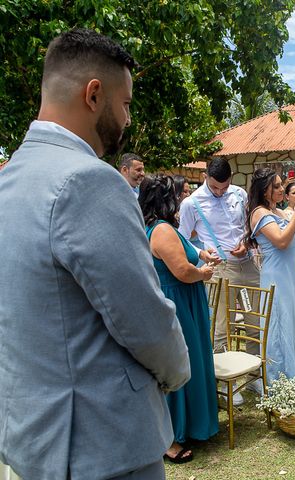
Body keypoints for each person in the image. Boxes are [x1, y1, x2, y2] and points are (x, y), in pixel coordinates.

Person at [0, 28, 191, 480]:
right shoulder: (90, 181)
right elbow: (143, 318)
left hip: (31, 436)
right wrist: (179, 371)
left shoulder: (8, 182)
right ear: (93, 94)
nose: (127, 120)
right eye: (125, 104)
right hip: (100, 442)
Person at [140, 174, 220, 464]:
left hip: (182, 300)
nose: (182, 200)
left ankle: (189, 426)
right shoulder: (161, 230)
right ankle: (175, 433)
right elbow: (183, 271)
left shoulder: (159, 228)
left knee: (191, 360)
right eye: (179, 195)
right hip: (179, 302)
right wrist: (203, 272)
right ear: (166, 199)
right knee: (184, 363)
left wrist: (201, 254)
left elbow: (187, 250)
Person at [178, 157, 260, 404]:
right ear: (206, 177)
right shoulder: (191, 203)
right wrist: (202, 253)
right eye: (215, 187)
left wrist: (246, 242)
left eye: (224, 187)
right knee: (221, 327)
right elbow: (182, 239)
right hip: (220, 267)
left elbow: (248, 225)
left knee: (254, 319)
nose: (220, 192)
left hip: (247, 264)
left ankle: (254, 375)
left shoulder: (239, 194)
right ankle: (227, 381)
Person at [245, 168, 295, 384]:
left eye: (282, 185)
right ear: (264, 190)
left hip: (292, 276)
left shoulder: (280, 213)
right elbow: (281, 241)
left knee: (292, 322)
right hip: (277, 277)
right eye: (277, 186)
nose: (282, 189)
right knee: (279, 325)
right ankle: (278, 380)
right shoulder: (259, 214)